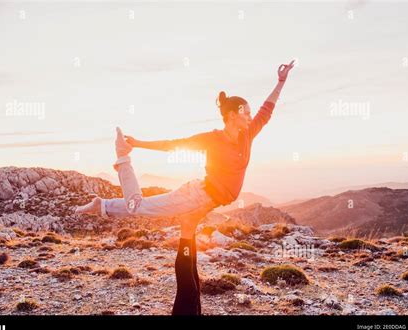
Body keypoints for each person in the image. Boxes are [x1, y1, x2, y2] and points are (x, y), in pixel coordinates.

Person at [76, 60, 295, 315]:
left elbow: (266, 110)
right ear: (233, 115)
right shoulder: (213, 139)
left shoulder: (247, 135)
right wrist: (138, 143)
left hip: (205, 202)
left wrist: (280, 82)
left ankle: (187, 309)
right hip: (195, 196)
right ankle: (122, 158)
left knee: (187, 244)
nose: (250, 116)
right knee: (137, 206)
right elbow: (175, 144)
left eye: (249, 112)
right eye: (245, 112)